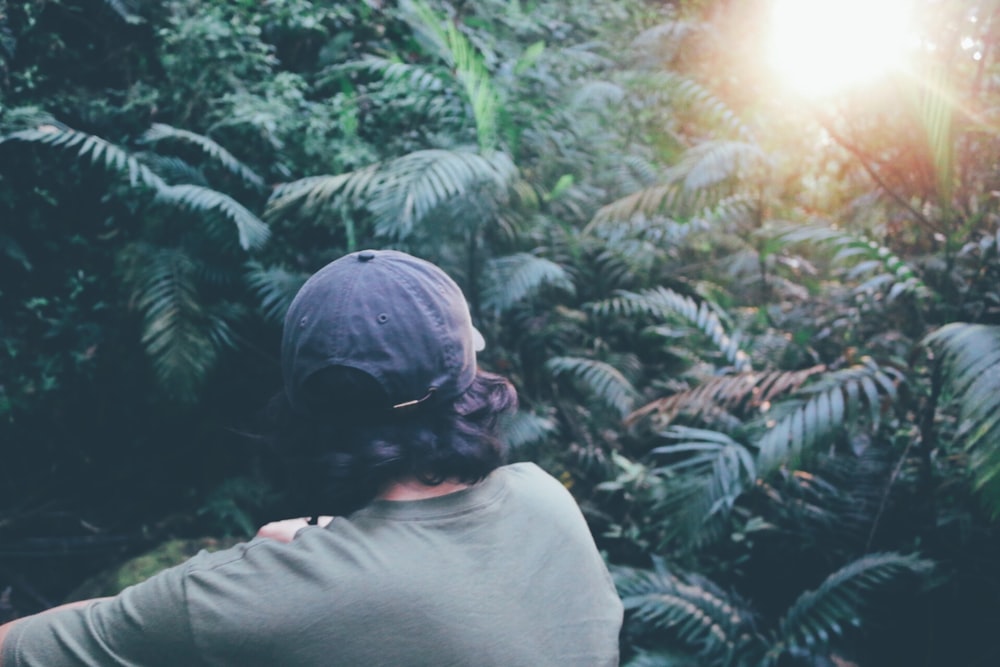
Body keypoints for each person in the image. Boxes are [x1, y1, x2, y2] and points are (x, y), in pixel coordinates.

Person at [0, 249, 623, 666]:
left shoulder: (250, 598)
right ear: (471, 383)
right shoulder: (546, 499)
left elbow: (27, 649)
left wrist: (307, 563)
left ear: (302, 414)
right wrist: (336, 548)